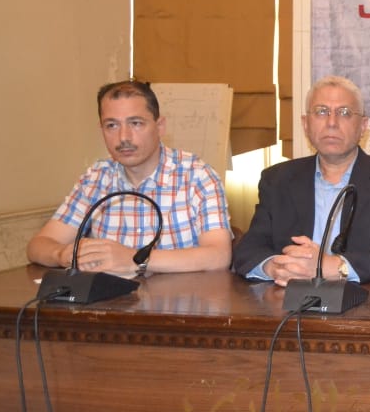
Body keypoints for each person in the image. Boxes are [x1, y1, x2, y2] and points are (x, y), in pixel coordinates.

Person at [27, 80, 232, 274]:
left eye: (136, 123)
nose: (123, 137)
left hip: (180, 298)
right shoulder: (95, 179)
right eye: (112, 125)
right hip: (112, 298)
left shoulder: (197, 176)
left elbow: (219, 256)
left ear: (160, 126)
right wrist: (63, 254)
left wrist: (134, 259)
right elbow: (38, 245)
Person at [233, 75, 370, 285]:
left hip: (365, 299)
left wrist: (334, 267)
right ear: (305, 124)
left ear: (363, 126)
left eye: (344, 113)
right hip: (288, 297)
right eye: (321, 112)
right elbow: (249, 249)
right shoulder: (277, 179)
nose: (331, 123)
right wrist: (275, 267)